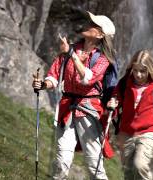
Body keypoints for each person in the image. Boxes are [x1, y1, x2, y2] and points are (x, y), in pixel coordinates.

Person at [32, 11, 116, 179]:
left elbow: (88, 78)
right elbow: (54, 75)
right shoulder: (70, 49)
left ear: (100, 34)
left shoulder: (103, 58)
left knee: (94, 165)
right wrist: (43, 84)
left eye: (93, 24)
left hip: (89, 112)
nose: (87, 24)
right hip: (67, 109)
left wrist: (70, 54)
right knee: (61, 160)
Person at [107, 50, 153, 180]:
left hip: (147, 133)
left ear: (150, 70)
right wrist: (112, 106)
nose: (138, 75)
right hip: (126, 133)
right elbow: (115, 103)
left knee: (139, 165)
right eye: (135, 70)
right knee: (128, 172)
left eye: (143, 71)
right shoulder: (124, 84)